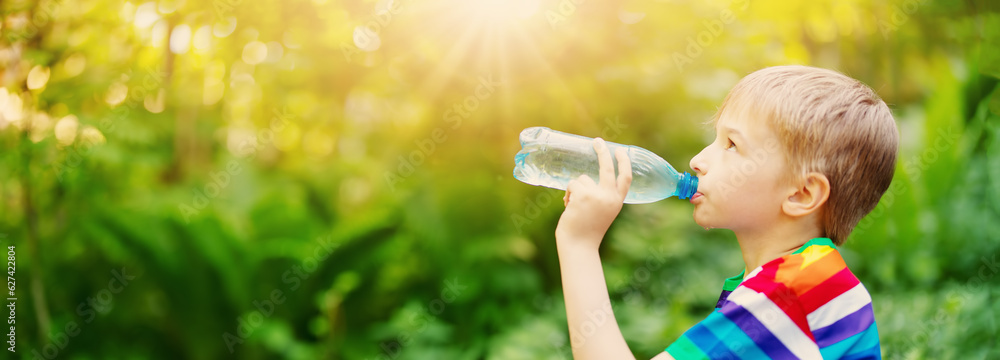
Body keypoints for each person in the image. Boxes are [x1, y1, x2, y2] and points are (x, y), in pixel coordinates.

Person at [554, 65, 897, 359]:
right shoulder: (809, 281)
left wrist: (579, 245)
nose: (697, 161)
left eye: (731, 144)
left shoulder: (790, 292)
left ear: (802, 193)